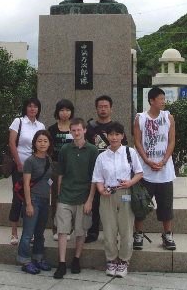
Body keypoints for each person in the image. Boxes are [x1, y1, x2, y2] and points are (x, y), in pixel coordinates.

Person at [92, 122, 143, 278]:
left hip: (125, 194)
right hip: (107, 195)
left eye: (117, 134)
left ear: (122, 136)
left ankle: (124, 261)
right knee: (109, 230)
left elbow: (139, 172)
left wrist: (130, 183)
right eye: (111, 134)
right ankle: (111, 260)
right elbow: (98, 178)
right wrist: (101, 190)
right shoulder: (101, 156)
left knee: (127, 229)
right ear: (107, 136)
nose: (114, 138)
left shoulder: (130, 152)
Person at [53, 118, 99, 279]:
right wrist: (58, 195)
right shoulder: (65, 149)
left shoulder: (93, 150)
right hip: (66, 194)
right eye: (73, 130)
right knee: (62, 229)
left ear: (85, 130)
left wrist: (90, 200)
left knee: (81, 230)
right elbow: (61, 173)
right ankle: (62, 262)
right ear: (70, 132)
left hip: (83, 195)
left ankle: (77, 259)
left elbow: (95, 177)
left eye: (79, 130)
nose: (76, 133)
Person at [133, 88, 176, 251]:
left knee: (166, 205)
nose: (163, 101)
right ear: (151, 101)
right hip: (145, 171)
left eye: (164, 99)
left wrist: (164, 161)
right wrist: (147, 161)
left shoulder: (168, 117)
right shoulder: (140, 118)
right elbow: (137, 141)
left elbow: (171, 141)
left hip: (164, 172)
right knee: (141, 204)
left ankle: (168, 234)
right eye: (160, 99)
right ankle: (138, 233)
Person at [84, 95, 128, 243]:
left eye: (106, 106)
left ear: (111, 108)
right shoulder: (89, 128)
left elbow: (125, 148)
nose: (103, 109)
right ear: (96, 109)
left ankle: (114, 233)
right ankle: (93, 230)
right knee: (95, 201)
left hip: (114, 172)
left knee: (114, 205)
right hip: (95, 171)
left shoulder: (116, 127)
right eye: (100, 106)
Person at [8, 98, 45, 245]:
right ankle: (14, 232)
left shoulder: (41, 125)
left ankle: (30, 232)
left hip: (36, 169)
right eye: (30, 106)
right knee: (18, 197)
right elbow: (12, 143)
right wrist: (18, 163)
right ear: (25, 108)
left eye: (35, 106)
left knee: (33, 200)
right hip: (21, 166)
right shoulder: (18, 122)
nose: (32, 109)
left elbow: (43, 145)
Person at [17, 130, 53, 274]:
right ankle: (25, 261)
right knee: (28, 233)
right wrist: (29, 204)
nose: (42, 144)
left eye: (45, 141)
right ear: (34, 143)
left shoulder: (48, 160)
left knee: (40, 232)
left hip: (45, 200)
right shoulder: (30, 161)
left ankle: (38, 258)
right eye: (39, 141)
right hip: (33, 200)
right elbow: (26, 183)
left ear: (49, 143)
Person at [47, 99, 75, 240]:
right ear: (57, 112)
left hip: (72, 166)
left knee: (70, 199)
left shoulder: (75, 128)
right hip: (56, 166)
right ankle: (56, 228)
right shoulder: (51, 130)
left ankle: (68, 228)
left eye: (68, 110)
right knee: (56, 198)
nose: (65, 113)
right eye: (62, 110)